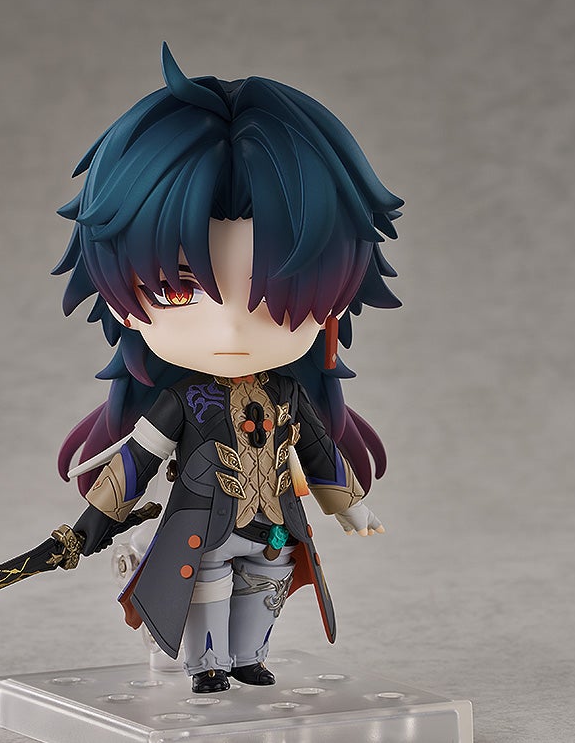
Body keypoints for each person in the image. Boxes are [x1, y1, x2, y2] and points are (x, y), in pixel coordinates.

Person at [55, 44, 402, 693]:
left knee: (266, 588)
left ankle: (248, 658)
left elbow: (319, 453)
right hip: (200, 534)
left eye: (277, 293)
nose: (231, 330)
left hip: (274, 529)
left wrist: (348, 507)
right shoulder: (182, 402)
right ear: (117, 294)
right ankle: (207, 665)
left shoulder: (289, 394)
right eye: (178, 290)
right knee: (208, 593)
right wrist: (88, 527)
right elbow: (136, 461)